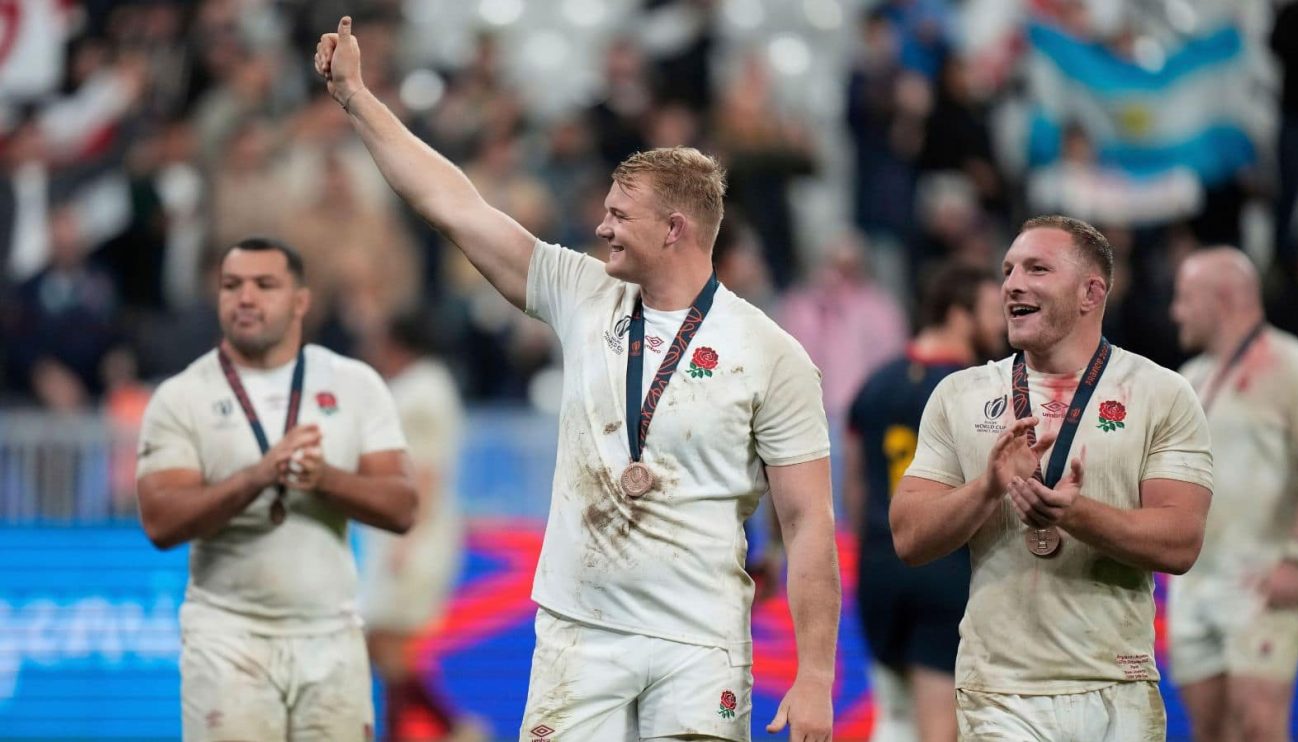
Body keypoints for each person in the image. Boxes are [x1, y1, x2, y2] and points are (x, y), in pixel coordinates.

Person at [315, 17, 840, 742]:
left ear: (676, 229)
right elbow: (452, 204)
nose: (601, 228)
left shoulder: (772, 353)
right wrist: (357, 100)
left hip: (700, 643)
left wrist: (815, 677)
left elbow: (810, 522)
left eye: (620, 215)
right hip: (578, 631)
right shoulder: (581, 291)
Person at [890, 215, 1214, 741]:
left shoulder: (1162, 394)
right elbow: (908, 535)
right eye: (1008, 270)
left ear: (1091, 293)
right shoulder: (961, 394)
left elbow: (1181, 542)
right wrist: (987, 488)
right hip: (1000, 690)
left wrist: (1075, 514)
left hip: (1118, 685)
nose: (1012, 283)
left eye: (1037, 269)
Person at [134, 237, 418, 741]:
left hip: (331, 635)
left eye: (265, 285)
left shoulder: (355, 383)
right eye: (231, 285)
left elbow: (401, 507)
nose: (245, 298)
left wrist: (324, 478)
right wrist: (257, 476)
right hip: (226, 635)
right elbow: (160, 521)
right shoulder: (181, 396)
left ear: (301, 301)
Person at [844, 263, 1004, 742]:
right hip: (945, 565)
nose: (1003, 324)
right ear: (959, 315)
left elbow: (855, 484)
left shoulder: (876, 382)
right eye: (993, 311)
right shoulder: (977, 389)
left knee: (894, 717)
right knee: (940, 729)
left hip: (877, 565)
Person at [1168, 247, 1298, 742]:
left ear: (1224, 297)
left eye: (1186, 298)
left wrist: (1296, 555)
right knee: (1209, 731)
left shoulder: (1295, 366)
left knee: (1258, 726)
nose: (1175, 312)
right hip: (1195, 585)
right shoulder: (1188, 379)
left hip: (1260, 575)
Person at [359, 313, 484, 742]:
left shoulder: (422, 390)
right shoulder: (427, 385)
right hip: (404, 531)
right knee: (384, 646)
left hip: (415, 534)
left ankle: (454, 727)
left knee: (383, 642)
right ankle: (448, 727)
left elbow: (427, 469)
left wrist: (407, 536)